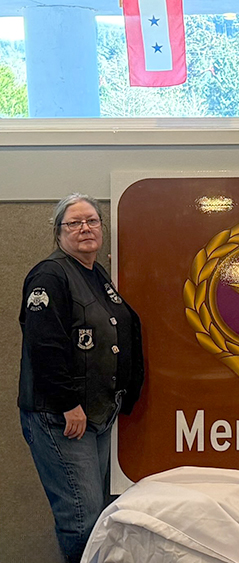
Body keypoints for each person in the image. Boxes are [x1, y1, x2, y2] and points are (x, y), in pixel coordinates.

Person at [18, 193, 145, 563]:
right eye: (74, 223)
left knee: (97, 512)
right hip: (63, 417)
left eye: (91, 220)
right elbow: (44, 345)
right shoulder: (50, 275)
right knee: (81, 518)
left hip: (96, 415)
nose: (85, 228)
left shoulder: (94, 273)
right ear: (58, 232)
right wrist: (68, 403)